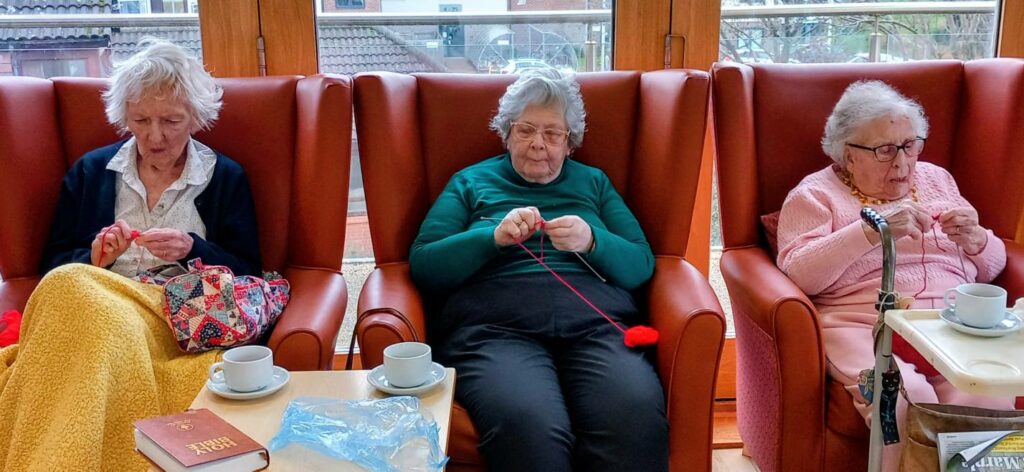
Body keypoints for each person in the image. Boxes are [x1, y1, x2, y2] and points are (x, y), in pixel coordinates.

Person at [0, 38, 260, 470]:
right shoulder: (90, 171)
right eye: (140, 119)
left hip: (171, 314)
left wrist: (193, 247)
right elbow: (52, 267)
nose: (154, 136)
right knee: (69, 285)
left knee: (85, 314)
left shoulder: (225, 176)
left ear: (195, 118)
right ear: (124, 117)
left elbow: (247, 269)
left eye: (171, 121)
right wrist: (95, 259)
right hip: (91, 301)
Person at [409, 69, 667, 472]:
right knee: (527, 426)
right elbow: (425, 264)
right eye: (525, 129)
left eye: (552, 133)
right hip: (495, 333)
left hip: (596, 329)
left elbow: (641, 265)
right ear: (506, 132)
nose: (537, 143)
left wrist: (592, 241)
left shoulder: (594, 184)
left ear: (570, 142)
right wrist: (490, 239)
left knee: (633, 414)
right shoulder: (470, 182)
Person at [776, 80, 1016, 470]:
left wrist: (977, 239)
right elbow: (800, 273)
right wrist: (872, 230)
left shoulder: (938, 180)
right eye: (885, 150)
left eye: (909, 145)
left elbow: (992, 266)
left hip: (948, 326)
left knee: (983, 396)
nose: (902, 163)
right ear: (847, 154)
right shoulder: (814, 195)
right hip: (865, 324)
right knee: (902, 397)